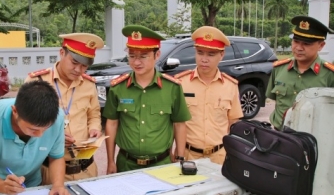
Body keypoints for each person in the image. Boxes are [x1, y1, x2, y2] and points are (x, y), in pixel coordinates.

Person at [103, 25, 191, 173]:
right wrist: (110, 161)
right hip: (126, 164)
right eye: (132, 56)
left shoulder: (172, 88)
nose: (136, 62)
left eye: (143, 56)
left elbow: (179, 124)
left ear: (157, 55)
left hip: (161, 164)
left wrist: (180, 156)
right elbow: (111, 124)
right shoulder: (118, 88)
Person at [0, 81, 74, 195]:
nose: (40, 135)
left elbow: (56, 157)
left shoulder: (57, 119)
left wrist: (58, 185)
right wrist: (3, 186)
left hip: (33, 185)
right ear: (15, 111)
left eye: (45, 129)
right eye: (33, 129)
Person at [25, 33, 104, 184]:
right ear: (62, 53)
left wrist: (94, 128)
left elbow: (94, 114)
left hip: (86, 169)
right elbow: (25, 123)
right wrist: (53, 136)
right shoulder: (37, 82)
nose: (78, 70)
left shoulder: (89, 84)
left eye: (84, 66)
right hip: (50, 171)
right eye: (74, 62)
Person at [174, 26, 243, 164]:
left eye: (211, 54)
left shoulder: (230, 86)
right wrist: (177, 154)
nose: (204, 59)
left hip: (219, 157)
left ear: (221, 55)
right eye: (200, 53)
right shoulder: (180, 83)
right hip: (188, 156)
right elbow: (174, 123)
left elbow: (233, 123)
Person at [266, 15, 334, 130]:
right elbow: (275, 101)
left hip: (312, 139)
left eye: (307, 44)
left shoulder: (330, 75)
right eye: (296, 41)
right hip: (279, 135)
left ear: (321, 46)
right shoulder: (279, 69)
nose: (299, 48)